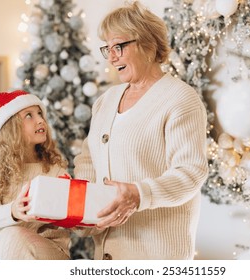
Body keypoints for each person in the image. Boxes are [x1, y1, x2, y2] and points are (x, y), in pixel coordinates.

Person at [73, 1, 208, 260]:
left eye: (119, 46)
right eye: (108, 48)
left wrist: (139, 194)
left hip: (156, 254)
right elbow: (88, 160)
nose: (112, 57)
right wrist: (84, 211)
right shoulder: (105, 100)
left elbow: (191, 173)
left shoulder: (180, 98)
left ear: (147, 44)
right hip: (105, 254)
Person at [0, 90, 71, 260]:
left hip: (48, 246)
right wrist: (13, 211)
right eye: (29, 116)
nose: (41, 119)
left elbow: (69, 213)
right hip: (4, 242)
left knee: (11, 237)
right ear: (11, 128)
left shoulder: (54, 170)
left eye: (39, 113)